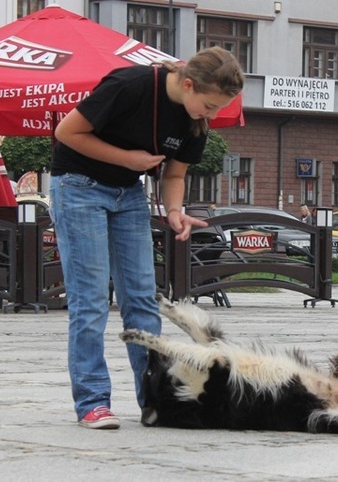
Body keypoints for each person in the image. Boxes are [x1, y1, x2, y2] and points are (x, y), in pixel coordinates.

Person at [49, 46, 245, 430]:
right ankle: (92, 402)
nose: (212, 115)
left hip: (128, 195)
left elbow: (174, 175)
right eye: (208, 105)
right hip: (78, 186)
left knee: (141, 299)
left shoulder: (196, 123)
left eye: (218, 108)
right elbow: (66, 132)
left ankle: (155, 401)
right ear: (187, 84)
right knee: (90, 299)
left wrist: (174, 212)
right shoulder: (132, 85)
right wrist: (129, 160)